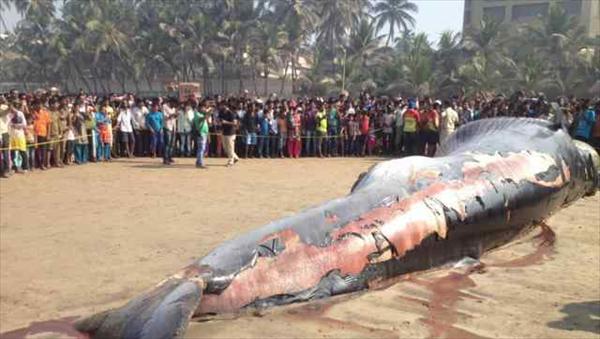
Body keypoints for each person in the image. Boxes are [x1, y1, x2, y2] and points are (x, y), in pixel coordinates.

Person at [9, 102, 28, 173]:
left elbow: (24, 124)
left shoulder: (20, 113)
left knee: (22, 151)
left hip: (20, 135)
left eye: (13, 107)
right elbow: (8, 124)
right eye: (10, 107)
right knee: (12, 152)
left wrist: (19, 126)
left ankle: (25, 167)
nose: (12, 108)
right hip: (12, 136)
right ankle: (14, 167)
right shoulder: (8, 114)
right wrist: (12, 125)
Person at [32, 102, 51, 169]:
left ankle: (42, 164)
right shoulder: (32, 113)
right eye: (37, 104)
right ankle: (37, 163)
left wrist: (48, 134)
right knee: (36, 149)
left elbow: (48, 124)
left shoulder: (45, 113)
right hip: (34, 134)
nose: (38, 106)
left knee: (43, 150)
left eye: (40, 104)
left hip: (43, 134)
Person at [192, 102, 210, 169]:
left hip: (204, 133)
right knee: (201, 149)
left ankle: (198, 161)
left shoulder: (201, 113)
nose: (204, 108)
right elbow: (202, 118)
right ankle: (200, 163)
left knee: (201, 148)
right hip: (201, 133)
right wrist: (208, 112)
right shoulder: (197, 114)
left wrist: (207, 112)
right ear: (200, 107)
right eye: (204, 107)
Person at [48, 99, 64, 167]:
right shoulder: (48, 113)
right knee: (49, 149)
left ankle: (57, 162)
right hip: (50, 134)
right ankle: (47, 163)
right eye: (56, 104)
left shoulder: (57, 113)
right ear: (51, 104)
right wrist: (48, 134)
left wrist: (61, 132)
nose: (57, 105)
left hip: (57, 133)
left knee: (57, 149)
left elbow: (59, 123)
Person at [162, 99, 177, 165]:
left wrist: (175, 115)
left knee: (172, 143)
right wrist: (173, 115)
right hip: (167, 127)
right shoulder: (164, 107)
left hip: (173, 126)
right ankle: (165, 158)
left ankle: (170, 156)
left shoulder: (173, 108)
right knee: (167, 143)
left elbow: (174, 118)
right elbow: (165, 117)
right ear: (171, 102)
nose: (174, 106)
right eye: (174, 104)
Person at [0, 103, 10, 177]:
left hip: (4, 133)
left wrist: (10, 104)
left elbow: (7, 111)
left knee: (5, 152)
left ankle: (5, 170)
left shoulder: (4, 106)